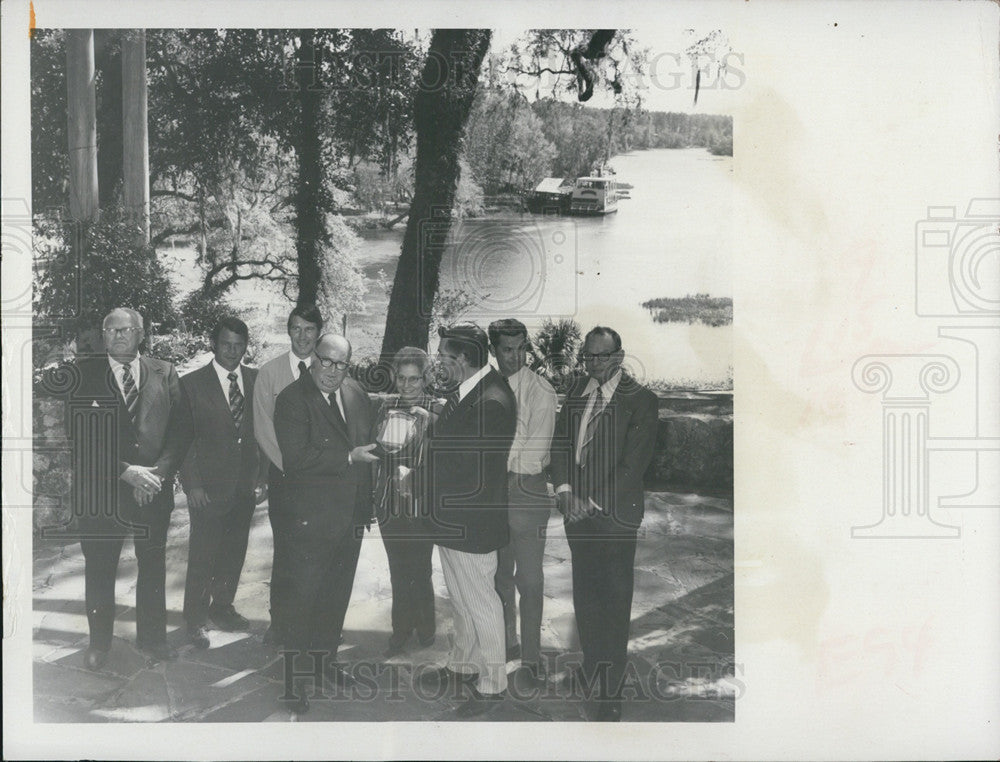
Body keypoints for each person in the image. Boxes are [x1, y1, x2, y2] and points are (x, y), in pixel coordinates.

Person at [46, 308, 183, 670]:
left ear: (141, 333)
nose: (118, 336)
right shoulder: (83, 374)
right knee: (100, 569)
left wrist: (156, 475)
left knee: (153, 565)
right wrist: (126, 472)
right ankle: (100, 644)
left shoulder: (164, 371)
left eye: (126, 329)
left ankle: (153, 639)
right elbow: (81, 437)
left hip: (153, 489)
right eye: (111, 330)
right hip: (103, 493)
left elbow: (180, 431)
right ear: (103, 336)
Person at [550, 326, 658, 722]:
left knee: (613, 604)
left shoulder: (641, 401)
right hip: (576, 515)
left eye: (601, 356)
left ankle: (611, 692)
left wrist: (590, 503)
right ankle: (592, 667)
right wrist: (563, 489)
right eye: (588, 356)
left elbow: (633, 466)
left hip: (613, 519)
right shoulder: (578, 392)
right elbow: (561, 444)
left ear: (619, 355)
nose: (593, 363)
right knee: (585, 595)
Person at [273, 333, 379, 713]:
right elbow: (297, 458)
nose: (333, 372)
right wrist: (348, 457)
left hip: (350, 516)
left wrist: (366, 505)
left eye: (342, 364)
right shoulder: (290, 399)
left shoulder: (355, 392)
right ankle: (293, 682)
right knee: (301, 602)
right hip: (309, 520)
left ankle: (324, 662)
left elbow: (367, 442)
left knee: (336, 596)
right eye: (327, 361)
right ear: (312, 358)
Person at [418, 323, 517, 718]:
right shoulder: (473, 390)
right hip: (454, 519)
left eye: (443, 355)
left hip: (470, 523)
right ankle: (463, 664)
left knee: (480, 602)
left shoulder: (490, 401)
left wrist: (419, 472)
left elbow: (468, 470)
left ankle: (493, 684)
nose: (439, 361)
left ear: (462, 359)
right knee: (461, 599)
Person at [171, 317, 267, 649]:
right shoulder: (191, 384)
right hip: (207, 490)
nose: (232, 351)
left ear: (246, 346)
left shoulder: (256, 380)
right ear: (214, 343)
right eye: (226, 343)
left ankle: (223, 608)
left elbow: (265, 434)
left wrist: (262, 478)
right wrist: (193, 485)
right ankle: (195, 620)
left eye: (239, 345)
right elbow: (184, 441)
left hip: (244, 486)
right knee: (204, 554)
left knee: (234, 551)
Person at [488, 319, 557, 689]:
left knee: (529, 580)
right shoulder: (489, 385)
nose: (513, 357)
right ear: (494, 350)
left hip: (526, 492)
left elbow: (533, 454)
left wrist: (499, 468)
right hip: (495, 493)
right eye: (505, 349)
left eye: (519, 349)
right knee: (499, 576)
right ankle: (505, 642)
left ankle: (531, 656)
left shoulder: (540, 391)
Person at [252, 304, 322, 647]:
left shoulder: (330, 370)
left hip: (322, 481)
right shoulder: (270, 373)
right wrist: (290, 468)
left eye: (309, 329)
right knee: (286, 551)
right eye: (296, 328)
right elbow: (263, 427)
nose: (303, 336)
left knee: (320, 552)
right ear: (288, 331)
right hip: (286, 477)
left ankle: (318, 623)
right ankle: (280, 622)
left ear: (319, 333)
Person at [372, 347, 436, 657]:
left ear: (426, 380)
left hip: (421, 505)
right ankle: (401, 629)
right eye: (402, 379)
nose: (407, 386)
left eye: (414, 379)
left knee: (420, 568)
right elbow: (379, 453)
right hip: (390, 503)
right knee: (398, 567)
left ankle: (425, 624)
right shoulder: (387, 409)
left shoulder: (437, 412)